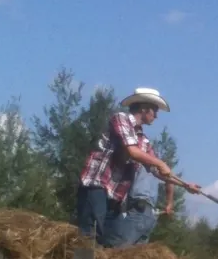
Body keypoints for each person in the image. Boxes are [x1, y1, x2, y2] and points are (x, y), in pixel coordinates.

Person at [76, 87, 198, 245]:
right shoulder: (121, 119)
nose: (156, 115)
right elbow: (133, 151)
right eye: (155, 110)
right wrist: (160, 163)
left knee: (104, 242)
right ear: (144, 108)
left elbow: (156, 171)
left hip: (114, 197)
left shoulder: (143, 140)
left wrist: (186, 185)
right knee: (90, 235)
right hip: (97, 185)